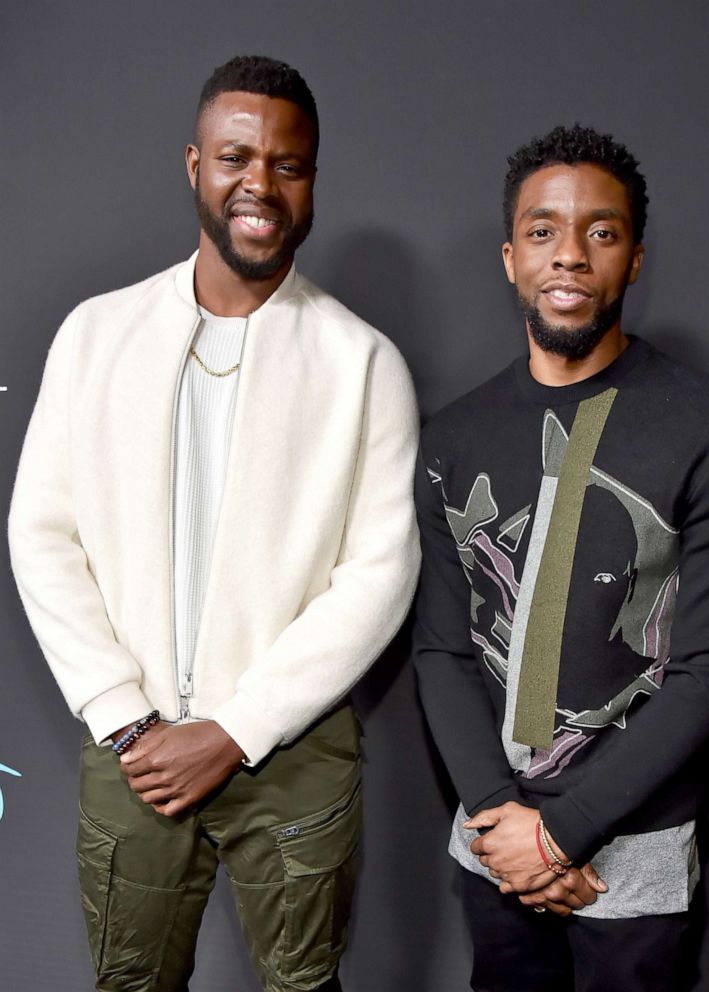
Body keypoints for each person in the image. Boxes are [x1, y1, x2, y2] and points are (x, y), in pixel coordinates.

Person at [9, 55, 419, 992]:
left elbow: (380, 573)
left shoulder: (363, 363)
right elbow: (41, 531)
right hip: (134, 747)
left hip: (295, 745)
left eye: (288, 163)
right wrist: (122, 714)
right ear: (194, 164)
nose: (260, 185)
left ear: (312, 179)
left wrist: (237, 726)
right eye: (237, 157)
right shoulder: (95, 334)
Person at [412, 124, 709, 992]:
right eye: (543, 231)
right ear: (509, 256)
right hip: (494, 844)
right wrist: (508, 824)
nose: (569, 255)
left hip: (632, 849)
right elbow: (443, 648)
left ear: (635, 258)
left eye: (600, 233)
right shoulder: (452, 438)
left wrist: (565, 831)